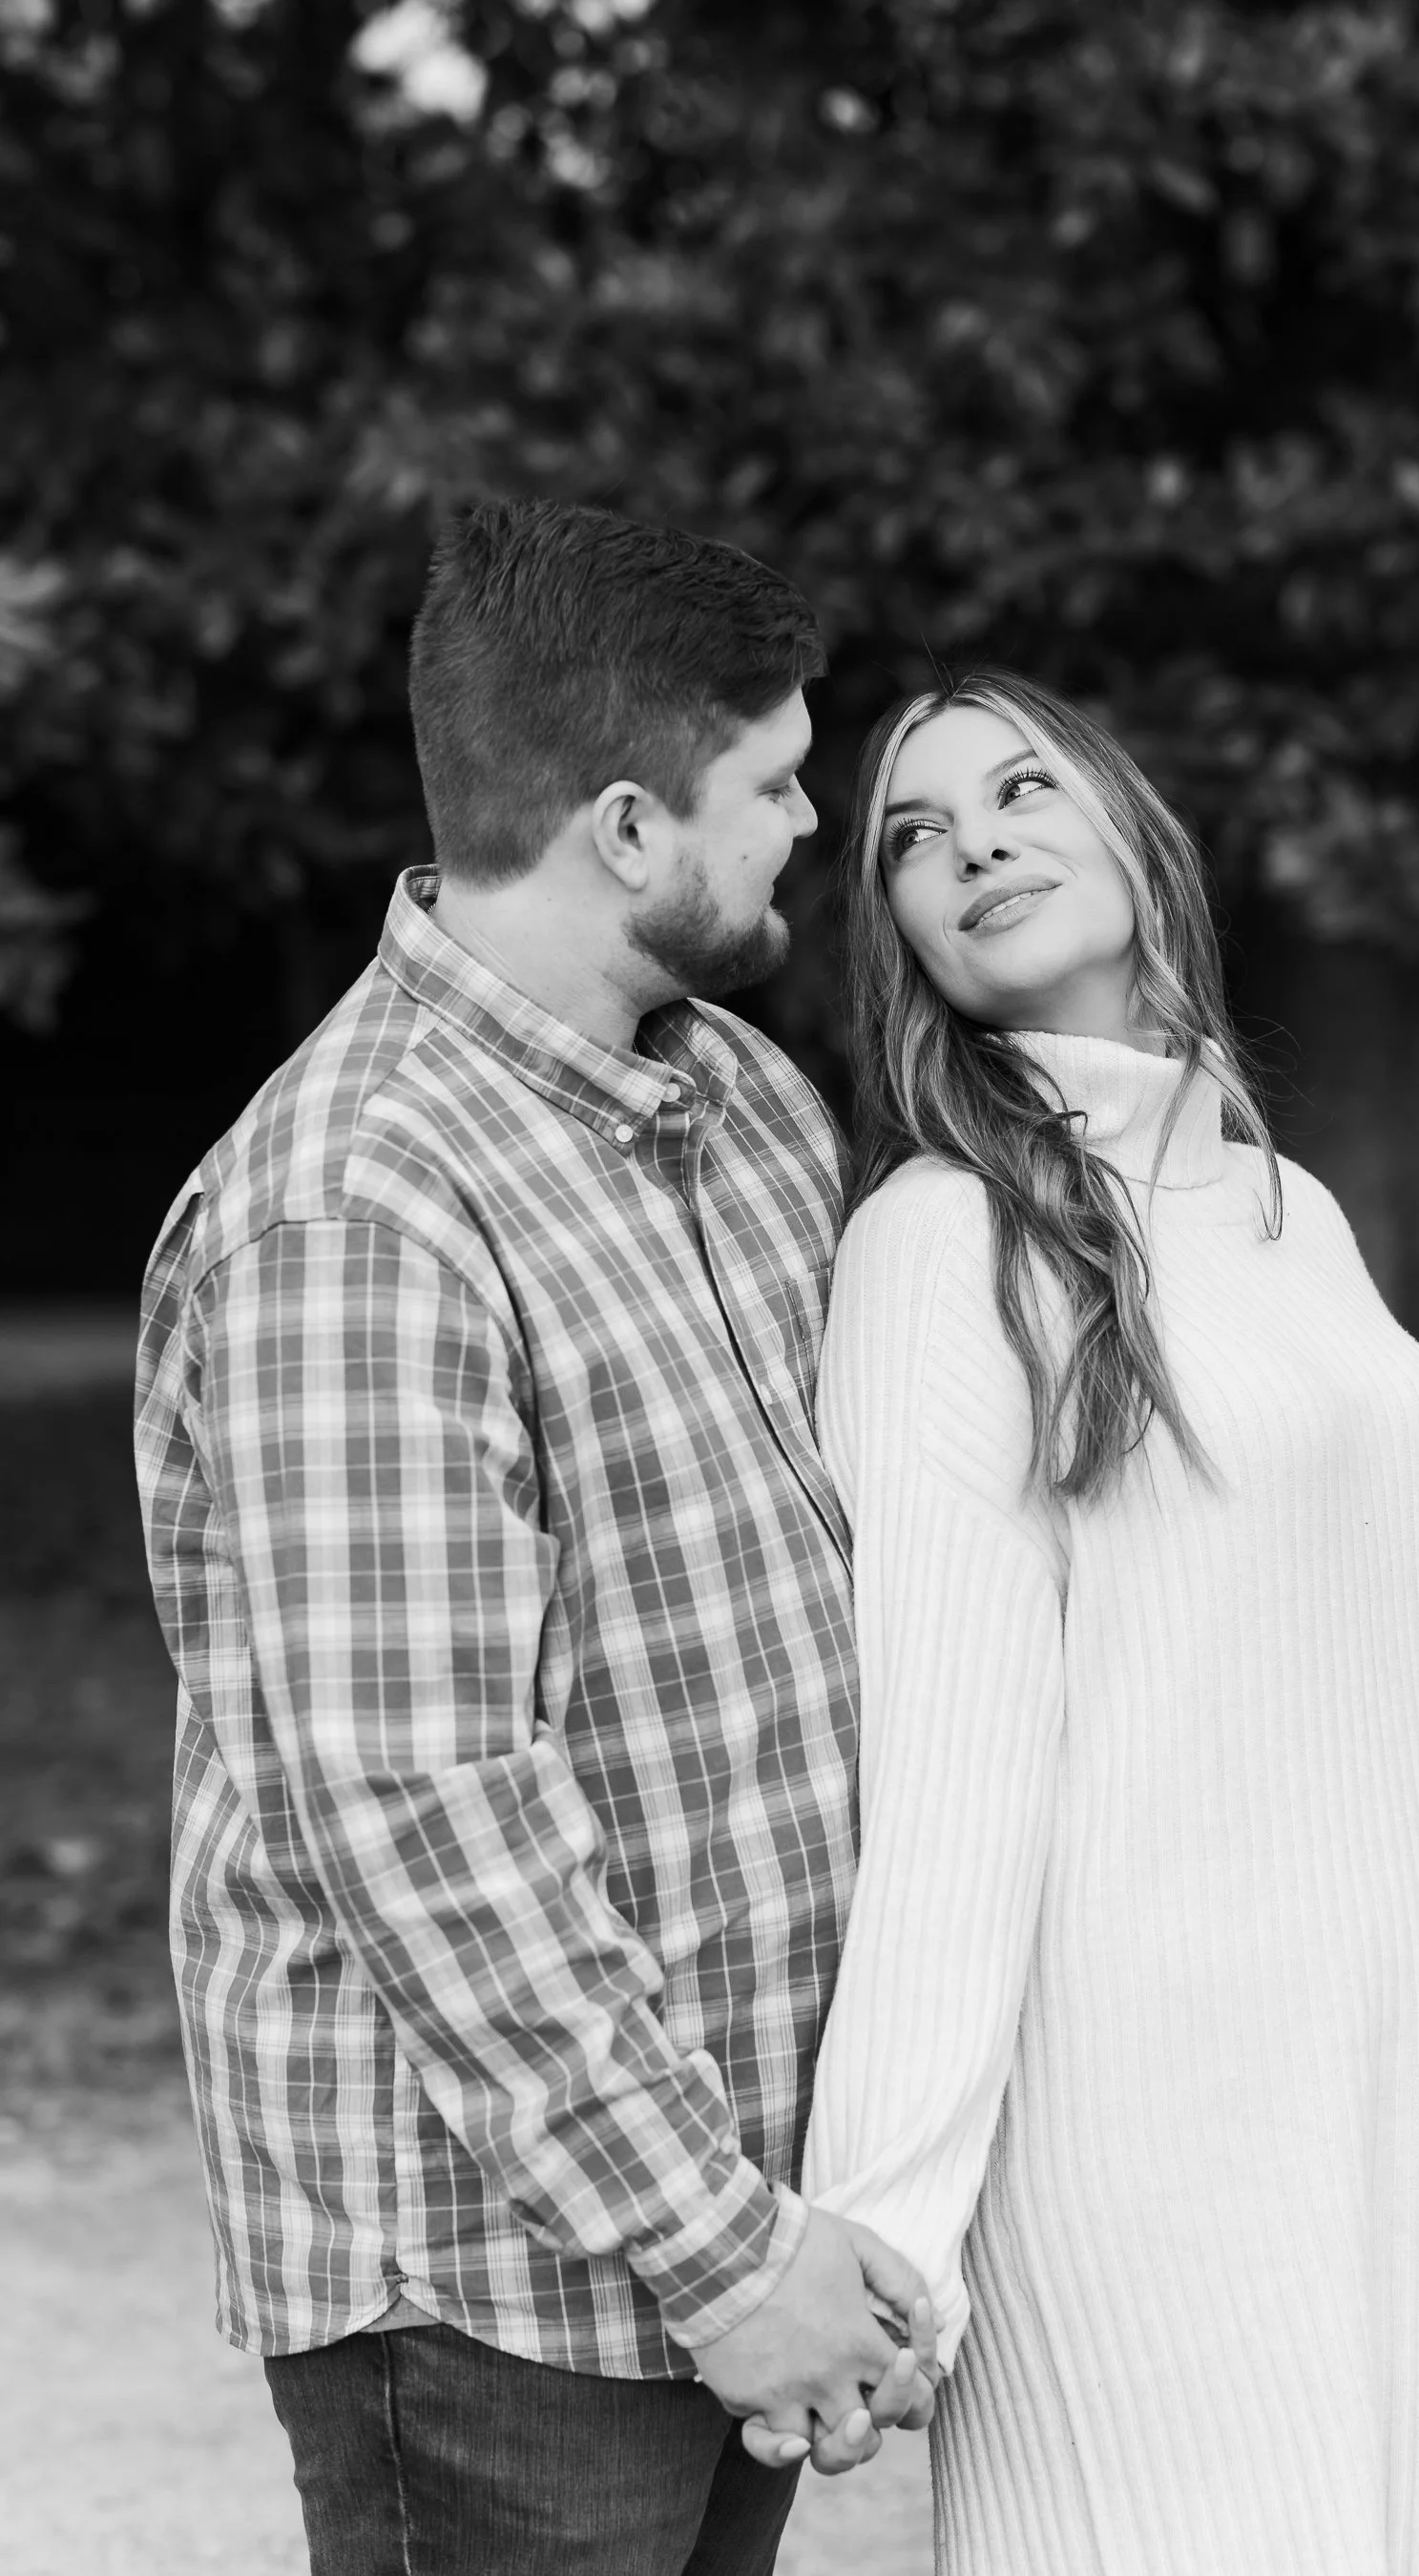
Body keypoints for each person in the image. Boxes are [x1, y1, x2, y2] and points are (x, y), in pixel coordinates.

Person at [133, 499, 938, 2576]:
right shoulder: (358, 1207)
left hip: (740, 2212)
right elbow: (419, 1810)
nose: (814, 823)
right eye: (772, 782)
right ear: (626, 827)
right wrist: (718, 2254)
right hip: (499, 2283)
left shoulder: (747, 1103)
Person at [752, 670, 1419, 2573]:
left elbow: (1415, 1642)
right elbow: (948, 1775)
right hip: (1151, 2150)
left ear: (1138, 833)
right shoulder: (941, 1242)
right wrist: (882, 2230)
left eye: (1022, 787)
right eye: (911, 833)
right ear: (896, 942)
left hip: (1396, 2114)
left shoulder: (1287, 1207)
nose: (973, 842)